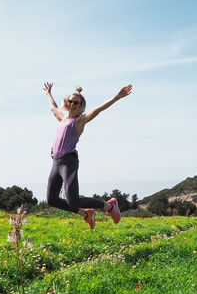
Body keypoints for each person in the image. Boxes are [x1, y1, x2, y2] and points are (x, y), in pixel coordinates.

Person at [43, 82, 132, 229]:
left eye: (76, 102)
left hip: (68, 163)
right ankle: (85, 214)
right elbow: (53, 108)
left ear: (81, 105)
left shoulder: (80, 121)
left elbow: (98, 110)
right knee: (52, 200)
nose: (72, 104)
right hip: (56, 163)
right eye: (70, 101)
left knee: (73, 201)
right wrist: (48, 93)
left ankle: (110, 206)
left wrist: (116, 97)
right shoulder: (63, 119)